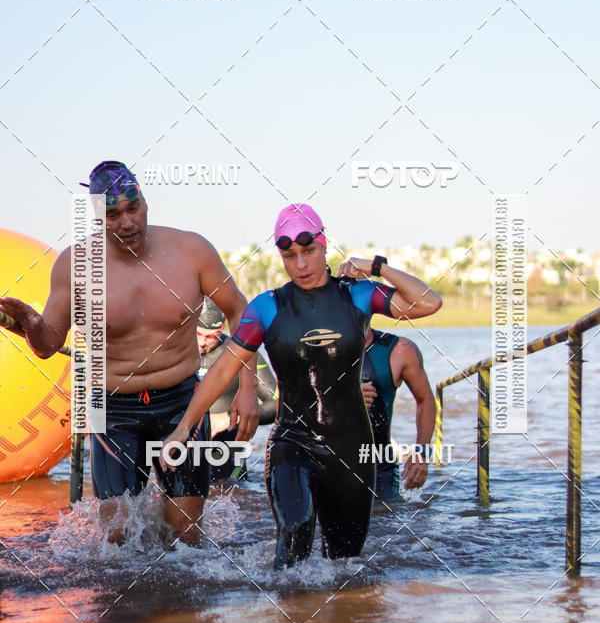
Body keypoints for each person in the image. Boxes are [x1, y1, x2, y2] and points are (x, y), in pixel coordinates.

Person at [160, 203, 442, 568]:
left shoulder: (357, 295)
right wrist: (184, 427)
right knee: (294, 536)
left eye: (309, 251)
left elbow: (430, 303)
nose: (301, 265)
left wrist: (376, 267)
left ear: (325, 246)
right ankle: (288, 619)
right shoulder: (267, 307)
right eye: (290, 255)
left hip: (352, 451)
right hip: (293, 443)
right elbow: (223, 369)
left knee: (345, 565)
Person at [0, 161, 259, 546]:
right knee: (118, 542)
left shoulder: (191, 251)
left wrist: (247, 387)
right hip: (112, 408)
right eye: (112, 214)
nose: (126, 222)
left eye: (133, 207)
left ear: (145, 200)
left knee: (187, 539)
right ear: (97, 218)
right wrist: (32, 326)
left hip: (182, 401)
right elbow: (49, 345)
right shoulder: (76, 265)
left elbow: (243, 313)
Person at [196, 297, 278, 481]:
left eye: (210, 336)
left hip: (226, 451)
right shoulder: (177, 352)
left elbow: (277, 403)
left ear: (222, 329)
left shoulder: (240, 351)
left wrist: (227, 418)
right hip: (184, 448)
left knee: (235, 501)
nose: (202, 342)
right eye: (198, 334)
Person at [361, 321, 435, 502]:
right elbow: (291, 404)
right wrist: (346, 397)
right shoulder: (312, 347)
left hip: (379, 464)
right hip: (326, 464)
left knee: (386, 525)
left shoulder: (400, 350)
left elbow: (425, 400)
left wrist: (421, 452)